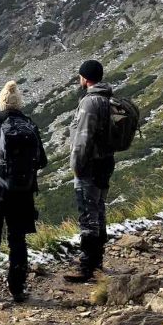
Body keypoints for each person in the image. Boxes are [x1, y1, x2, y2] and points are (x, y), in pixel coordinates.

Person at [0, 80, 48, 303]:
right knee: (17, 240)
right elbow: (42, 161)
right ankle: (17, 288)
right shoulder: (30, 127)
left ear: (1, 104)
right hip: (22, 196)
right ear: (19, 104)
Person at [64, 59, 115, 283]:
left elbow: (82, 139)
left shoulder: (89, 103)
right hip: (105, 163)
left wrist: (75, 166)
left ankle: (86, 265)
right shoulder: (107, 99)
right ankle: (97, 259)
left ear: (85, 78)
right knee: (98, 210)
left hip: (90, 166)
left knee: (87, 213)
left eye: (80, 76)